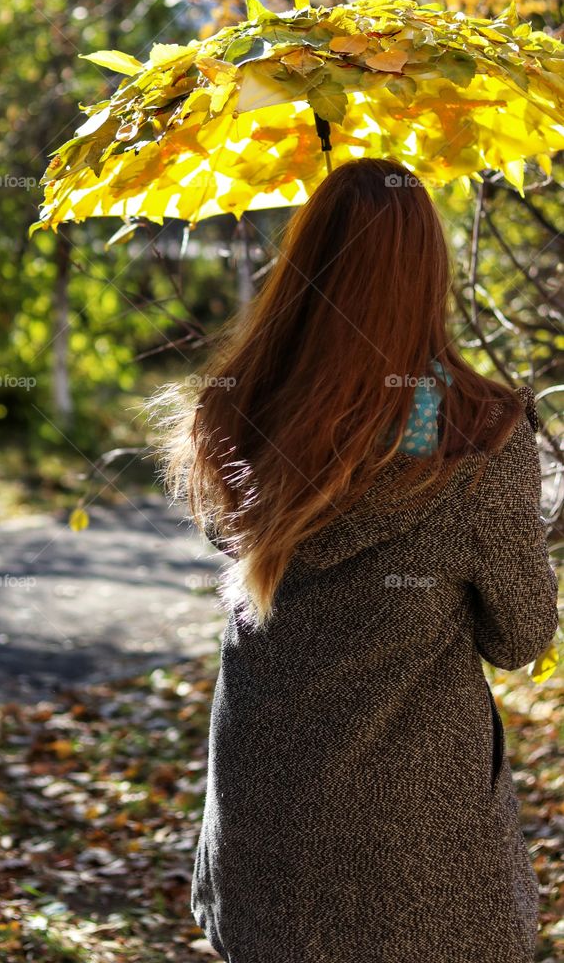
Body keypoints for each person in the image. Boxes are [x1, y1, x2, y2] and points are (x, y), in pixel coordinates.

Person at [154, 157, 560, 963]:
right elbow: (520, 639)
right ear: (428, 273)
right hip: (418, 858)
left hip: (263, 828)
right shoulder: (474, 438)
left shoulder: (234, 412)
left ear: (303, 262)